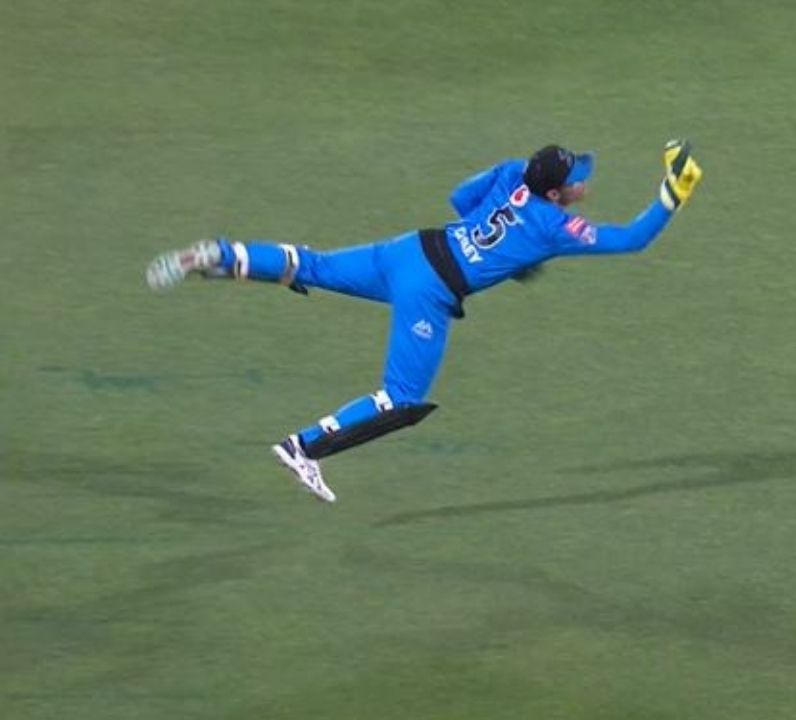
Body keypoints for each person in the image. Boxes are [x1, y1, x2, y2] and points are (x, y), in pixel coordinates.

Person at [144, 140, 704, 503]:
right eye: (577, 180)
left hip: (408, 250)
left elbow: (462, 197)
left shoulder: (515, 172)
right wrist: (672, 194)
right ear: (555, 192)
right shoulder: (558, 228)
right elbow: (632, 238)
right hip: (429, 292)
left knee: (308, 264)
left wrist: (500, 244)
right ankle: (303, 448)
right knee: (402, 398)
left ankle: (220, 255)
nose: (585, 182)